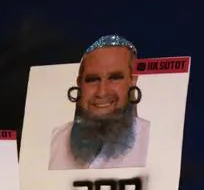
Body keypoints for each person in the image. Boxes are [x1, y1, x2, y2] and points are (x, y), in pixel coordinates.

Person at [49, 35, 151, 171]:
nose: (102, 92)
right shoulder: (55, 141)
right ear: (79, 83)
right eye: (92, 80)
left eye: (115, 78)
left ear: (132, 80)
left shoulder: (153, 141)